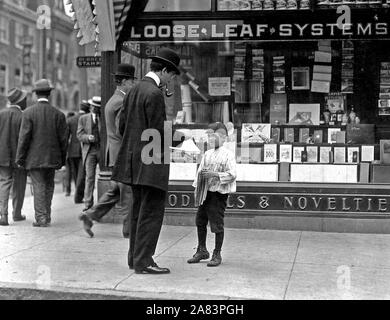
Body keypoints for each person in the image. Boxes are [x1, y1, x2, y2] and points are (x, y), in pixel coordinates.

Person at [112, 48, 180, 274]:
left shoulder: (133, 91)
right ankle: (145, 261)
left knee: (137, 212)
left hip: (133, 164)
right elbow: (157, 132)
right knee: (151, 214)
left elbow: (122, 127)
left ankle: (135, 258)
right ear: (164, 70)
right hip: (151, 164)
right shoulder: (154, 93)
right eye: (171, 75)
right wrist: (182, 138)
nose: (171, 80)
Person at [79, 64, 136, 238]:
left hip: (114, 153)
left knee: (115, 191)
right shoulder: (121, 101)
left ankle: (90, 215)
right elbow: (122, 129)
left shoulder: (112, 100)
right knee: (128, 195)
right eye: (132, 81)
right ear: (125, 81)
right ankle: (129, 231)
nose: (133, 84)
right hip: (122, 155)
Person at [15, 79, 68, 227]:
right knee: (49, 186)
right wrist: (62, 160)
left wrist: (20, 158)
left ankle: (41, 218)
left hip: (34, 158)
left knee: (38, 186)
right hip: (52, 158)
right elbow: (64, 140)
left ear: (35, 94)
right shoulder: (58, 114)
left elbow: (23, 138)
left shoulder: (28, 113)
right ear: (49, 94)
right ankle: (47, 215)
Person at [187, 122, 237, 267]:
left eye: (213, 136)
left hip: (218, 195)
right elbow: (200, 173)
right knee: (200, 221)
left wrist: (215, 174)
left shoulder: (228, 155)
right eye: (208, 136)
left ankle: (217, 253)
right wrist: (197, 189)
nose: (210, 139)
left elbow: (233, 175)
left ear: (223, 138)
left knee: (216, 224)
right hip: (205, 193)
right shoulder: (207, 154)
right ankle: (202, 250)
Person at [0, 88, 28, 226]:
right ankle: (16, 214)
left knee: (4, 183)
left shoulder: (1, 114)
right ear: (21, 101)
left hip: (3, 156)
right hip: (20, 157)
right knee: (19, 185)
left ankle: (3, 215)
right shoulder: (23, 116)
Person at [77, 96, 101, 211]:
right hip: (90, 151)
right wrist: (88, 137)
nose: (95, 109)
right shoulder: (83, 118)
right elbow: (79, 135)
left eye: (97, 108)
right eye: (94, 107)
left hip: (101, 150)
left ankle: (102, 203)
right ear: (91, 107)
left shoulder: (103, 118)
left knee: (105, 176)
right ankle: (88, 204)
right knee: (90, 177)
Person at [66, 101, 90, 204]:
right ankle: (78, 196)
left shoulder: (71, 120)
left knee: (76, 174)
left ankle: (78, 193)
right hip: (83, 149)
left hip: (72, 151)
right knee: (82, 174)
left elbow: (66, 137)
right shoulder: (87, 119)